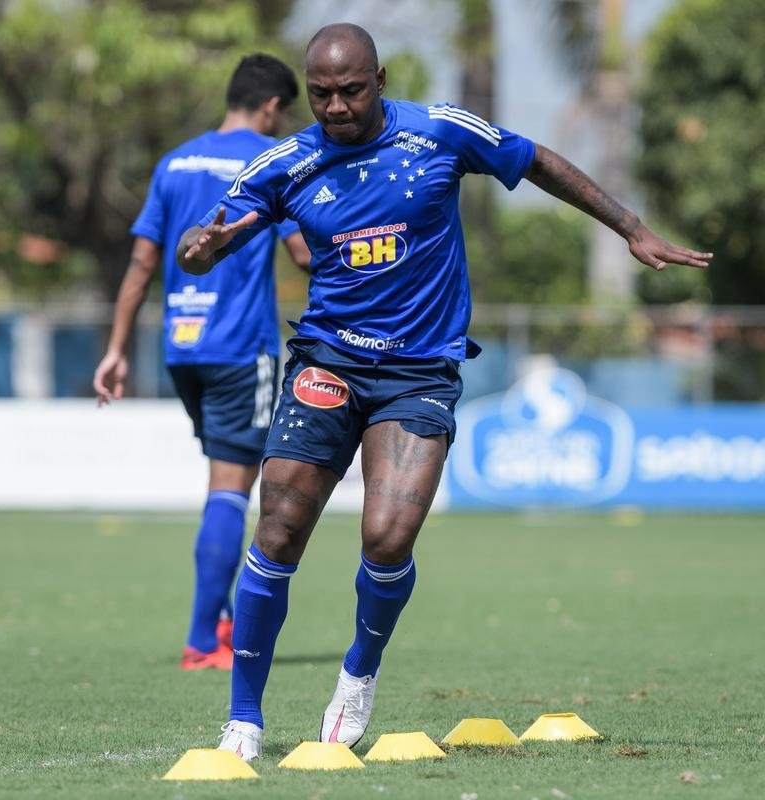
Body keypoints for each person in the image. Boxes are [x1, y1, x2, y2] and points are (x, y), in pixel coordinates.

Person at [176, 24, 712, 758]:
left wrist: (629, 226)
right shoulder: (288, 163)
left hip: (419, 371)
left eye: (351, 90)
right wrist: (198, 252)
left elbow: (539, 162)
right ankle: (243, 718)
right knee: (277, 531)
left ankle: (358, 674)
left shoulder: (439, 133)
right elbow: (213, 237)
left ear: (382, 79)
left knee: (388, 538)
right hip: (328, 360)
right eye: (321, 92)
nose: (335, 106)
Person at [94, 54, 311, 671]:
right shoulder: (267, 162)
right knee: (231, 489)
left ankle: (216, 621)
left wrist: (116, 348)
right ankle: (201, 639)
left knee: (223, 482)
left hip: (181, 350)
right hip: (242, 347)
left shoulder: (174, 162)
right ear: (271, 107)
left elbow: (141, 264)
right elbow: (300, 253)